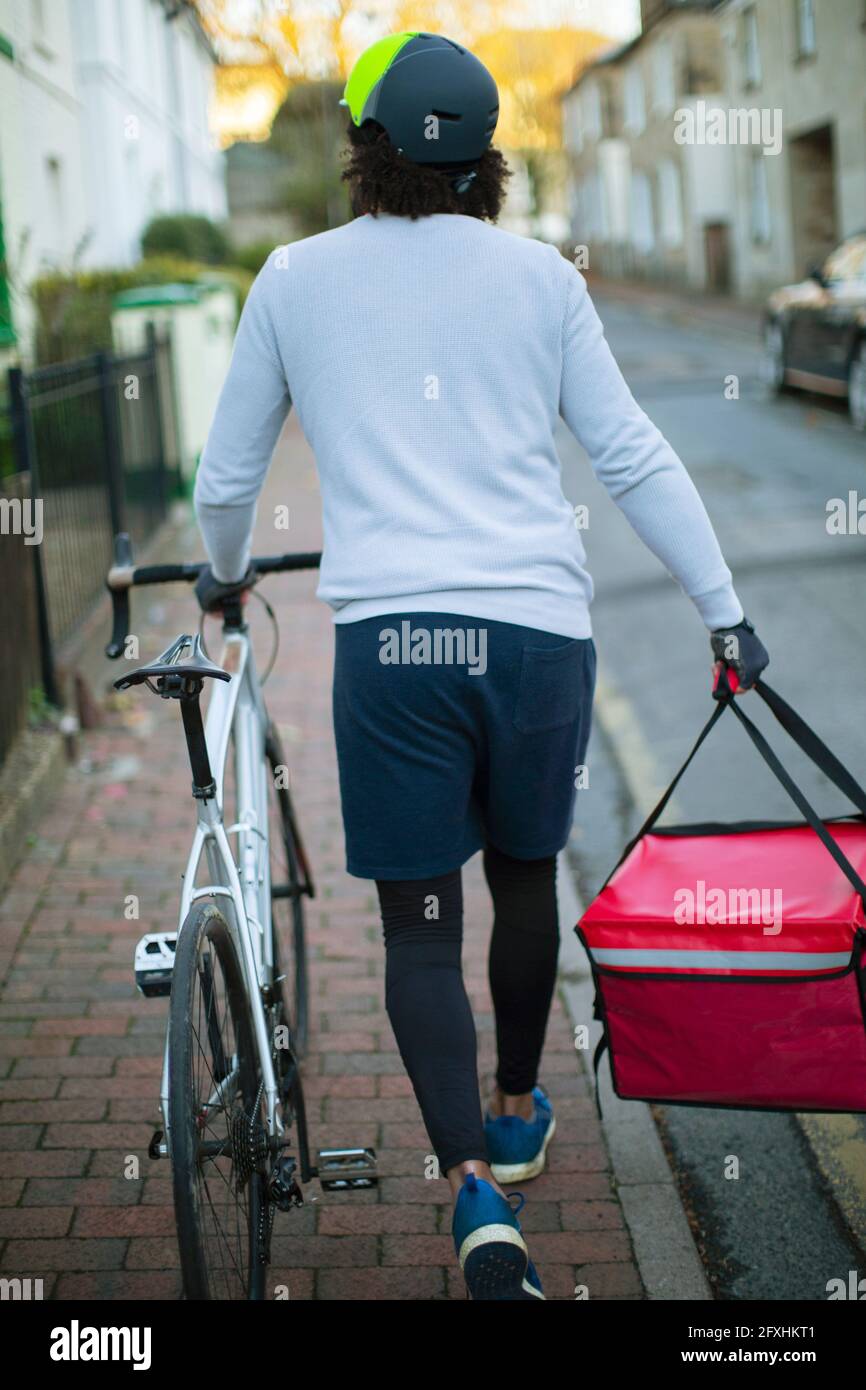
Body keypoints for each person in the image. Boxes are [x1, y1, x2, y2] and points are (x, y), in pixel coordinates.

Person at [193, 31, 769, 1301]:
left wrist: (222, 568)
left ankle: (468, 1192)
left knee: (418, 925)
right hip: (534, 641)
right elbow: (628, 454)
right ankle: (516, 1108)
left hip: (394, 645)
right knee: (521, 885)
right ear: (488, 162)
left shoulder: (292, 278)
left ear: (364, 149)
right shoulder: (540, 282)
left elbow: (228, 478)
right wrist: (721, 613)